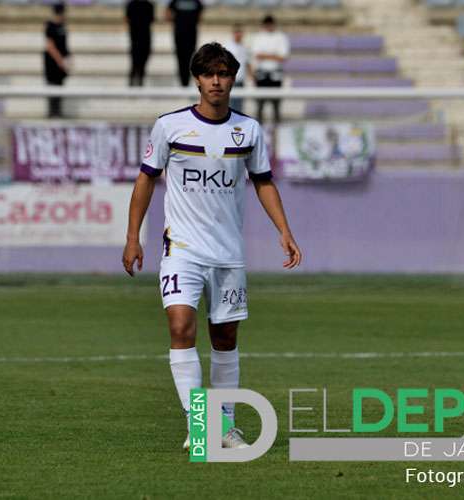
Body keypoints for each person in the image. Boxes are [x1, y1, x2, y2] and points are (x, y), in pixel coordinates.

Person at [122, 43, 302, 451]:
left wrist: (284, 230)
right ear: (197, 79)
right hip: (181, 249)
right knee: (181, 326)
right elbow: (146, 179)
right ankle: (200, 424)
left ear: (233, 78)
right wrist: (133, 236)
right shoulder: (169, 127)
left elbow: (263, 181)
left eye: (223, 74)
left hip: (228, 253)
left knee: (224, 339)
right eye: (209, 74)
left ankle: (225, 426)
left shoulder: (249, 130)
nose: (216, 81)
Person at [250, 15, 289, 124]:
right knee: (259, 105)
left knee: (276, 105)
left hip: (276, 74)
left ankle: (277, 129)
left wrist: (265, 55)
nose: (268, 27)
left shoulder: (280, 37)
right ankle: (258, 127)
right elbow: (257, 55)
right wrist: (273, 55)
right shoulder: (258, 37)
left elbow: (283, 57)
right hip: (262, 74)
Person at [166, 0, 203, 87]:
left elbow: (200, 15)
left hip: (191, 36)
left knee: (190, 60)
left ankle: (186, 83)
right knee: (181, 60)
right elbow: (167, 13)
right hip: (179, 36)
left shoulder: (196, 2)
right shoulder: (175, 2)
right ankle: (183, 83)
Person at [44, 3, 71, 118]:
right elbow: (50, 46)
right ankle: (52, 111)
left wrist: (68, 59)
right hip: (52, 62)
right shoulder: (50, 26)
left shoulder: (63, 26)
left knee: (60, 86)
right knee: (52, 86)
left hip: (62, 62)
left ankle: (58, 111)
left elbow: (65, 45)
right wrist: (60, 60)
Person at [125, 0, 154, 87]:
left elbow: (127, 19)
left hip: (138, 37)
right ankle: (137, 79)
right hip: (141, 37)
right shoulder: (148, 5)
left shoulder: (132, 4)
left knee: (137, 60)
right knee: (138, 60)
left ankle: (135, 79)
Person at [224, 24, 248, 112]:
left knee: (239, 106)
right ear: (234, 34)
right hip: (231, 80)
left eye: (240, 33)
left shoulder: (243, 47)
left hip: (241, 80)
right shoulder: (228, 46)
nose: (239, 35)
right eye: (237, 33)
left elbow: (246, 63)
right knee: (230, 105)